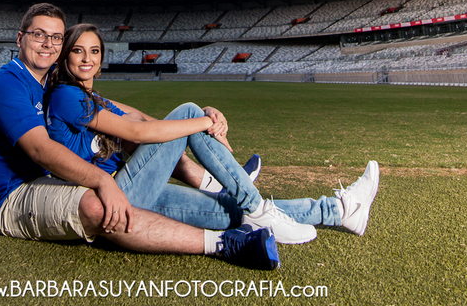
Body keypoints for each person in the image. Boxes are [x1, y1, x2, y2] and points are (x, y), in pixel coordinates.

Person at [0, 3, 281, 269]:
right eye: (38, 34)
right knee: (98, 205)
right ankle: (224, 244)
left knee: (214, 204)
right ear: (20, 38)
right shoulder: (7, 84)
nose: (47, 43)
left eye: (55, 37)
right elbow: (41, 150)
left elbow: (133, 116)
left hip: (54, 180)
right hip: (12, 195)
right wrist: (102, 180)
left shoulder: (52, 84)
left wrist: (202, 118)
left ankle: (306, 207)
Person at [44, 23, 379, 244]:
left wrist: (205, 115)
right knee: (188, 112)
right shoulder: (66, 96)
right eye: (78, 51)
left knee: (228, 212)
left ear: (102, 58)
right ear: (66, 56)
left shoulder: (93, 98)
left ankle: (337, 211)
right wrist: (201, 120)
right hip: (112, 200)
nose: (87, 58)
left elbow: (142, 117)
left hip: (131, 194)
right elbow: (137, 131)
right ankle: (251, 201)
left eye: (94, 51)